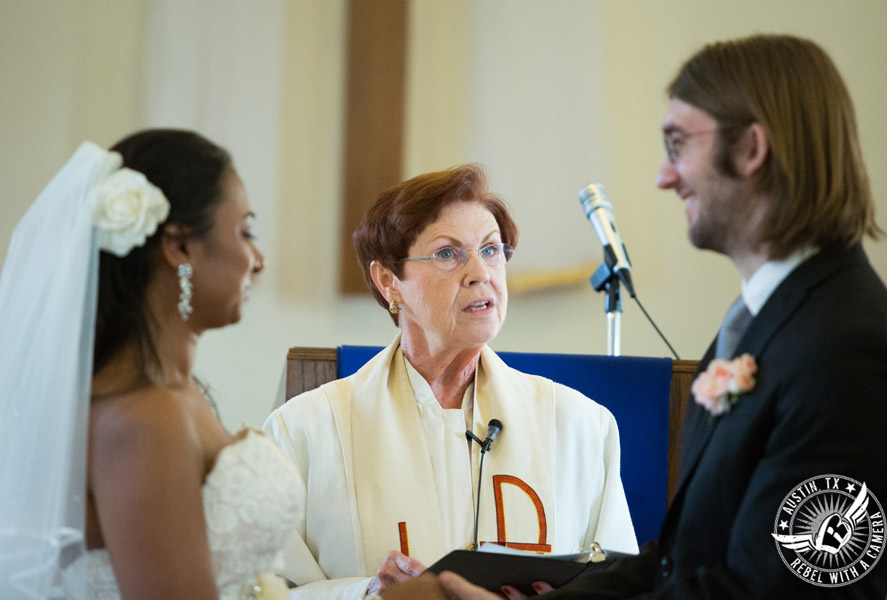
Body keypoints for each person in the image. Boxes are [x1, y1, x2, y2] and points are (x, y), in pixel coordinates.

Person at [387, 33, 887, 600]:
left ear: (752, 150)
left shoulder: (848, 350)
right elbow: (676, 564)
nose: (664, 175)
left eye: (678, 144)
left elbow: (777, 593)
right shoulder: (768, 321)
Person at [263, 163, 638, 598]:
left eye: (492, 249)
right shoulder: (306, 431)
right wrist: (369, 593)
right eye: (448, 253)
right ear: (389, 281)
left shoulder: (580, 427)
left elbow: (621, 588)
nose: (481, 272)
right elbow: (260, 591)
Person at [0, 129, 303, 599]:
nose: (257, 259)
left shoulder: (177, 393)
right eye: (245, 231)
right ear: (179, 246)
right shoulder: (143, 419)